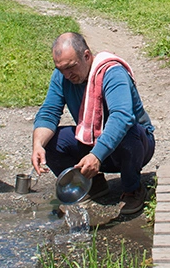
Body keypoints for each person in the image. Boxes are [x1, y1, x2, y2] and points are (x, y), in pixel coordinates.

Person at [31, 32, 155, 216]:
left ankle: (133, 189)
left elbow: (122, 117)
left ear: (87, 56)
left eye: (71, 67)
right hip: (94, 142)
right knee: (52, 142)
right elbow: (49, 111)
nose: (67, 75)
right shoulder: (62, 76)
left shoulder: (112, 73)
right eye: (61, 69)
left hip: (135, 145)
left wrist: (96, 156)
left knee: (128, 131)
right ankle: (90, 183)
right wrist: (38, 144)